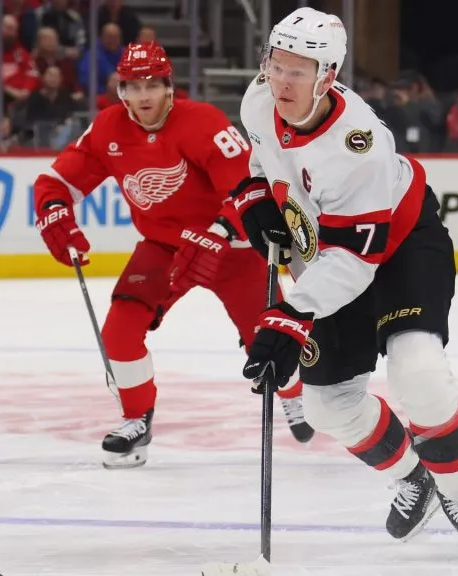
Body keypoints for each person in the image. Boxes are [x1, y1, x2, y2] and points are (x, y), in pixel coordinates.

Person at [232, 7, 458, 559]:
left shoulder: (358, 146)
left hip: (400, 247)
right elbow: (264, 161)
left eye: (297, 70)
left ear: (328, 76)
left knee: (417, 366)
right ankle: (413, 478)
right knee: (329, 405)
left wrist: (291, 314)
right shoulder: (259, 99)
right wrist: (256, 193)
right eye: (275, 63)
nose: (280, 80)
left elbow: (355, 264)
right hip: (325, 255)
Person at [32, 42, 312, 470]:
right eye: (133, 86)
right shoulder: (108, 128)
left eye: (153, 85)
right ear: (121, 90)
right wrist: (53, 209)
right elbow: (60, 179)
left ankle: (293, 395)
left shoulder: (204, 123)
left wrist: (218, 233)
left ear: (169, 87)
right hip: (164, 247)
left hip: (231, 247)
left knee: (267, 341)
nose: (144, 96)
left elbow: (247, 191)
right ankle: (135, 419)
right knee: (121, 330)